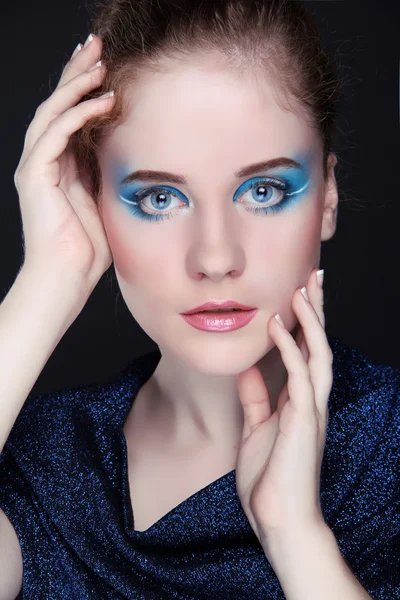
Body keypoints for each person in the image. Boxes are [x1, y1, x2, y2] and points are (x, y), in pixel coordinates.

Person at [0, 0, 398, 598]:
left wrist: (294, 535)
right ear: (96, 201)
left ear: (329, 197)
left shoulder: (388, 448)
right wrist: (49, 276)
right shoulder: (46, 464)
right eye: (159, 198)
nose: (214, 259)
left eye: (262, 190)